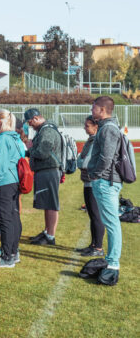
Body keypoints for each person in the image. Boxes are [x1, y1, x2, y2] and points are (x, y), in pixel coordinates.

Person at [87, 96, 124, 283]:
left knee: (111, 223)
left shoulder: (108, 129)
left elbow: (107, 157)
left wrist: (95, 173)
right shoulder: (106, 127)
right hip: (105, 181)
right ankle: (111, 260)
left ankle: (113, 263)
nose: (91, 111)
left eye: (94, 108)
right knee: (110, 222)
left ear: (102, 110)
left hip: (105, 181)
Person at [0, 110, 26, 268]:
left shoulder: (2, 139)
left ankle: (7, 256)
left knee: (4, 218)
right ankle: (13, 252)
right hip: (12, 181)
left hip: (3, 183)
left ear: (0, 122)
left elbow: (0, 165)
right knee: (12, 216)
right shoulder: (14, 137)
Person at [24, 108, 63, 246]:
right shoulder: (45, 130)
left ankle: (50, 236)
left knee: (51, 204)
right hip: (46, 169)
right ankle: (47, 232)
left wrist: (30, 149)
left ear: (36, 118)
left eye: (30, 122)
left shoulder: (47, 131)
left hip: (49, 169)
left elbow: (43, 152)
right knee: (47, 203)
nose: (30, 126)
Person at [76, 116, 104, 257]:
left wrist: (79, 162)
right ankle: (93, 244)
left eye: (87, 125)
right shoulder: (90, 140)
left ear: (95, 127)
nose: (84, 128)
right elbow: (80, 159)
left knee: (96, 216)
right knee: (92, 215)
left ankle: (98, 247)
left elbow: (84, 163)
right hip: (88, 182)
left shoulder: (96, 141)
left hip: (94, 183)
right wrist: (80, 161)